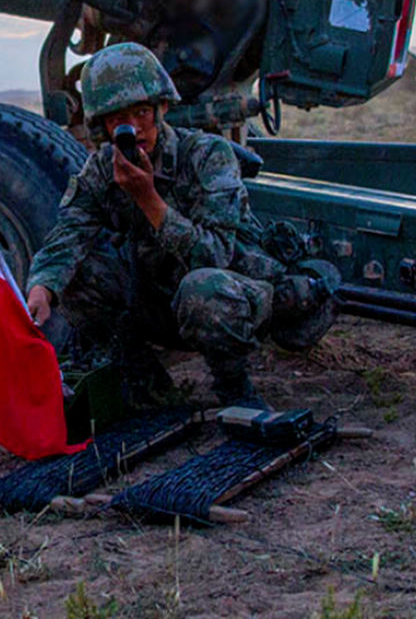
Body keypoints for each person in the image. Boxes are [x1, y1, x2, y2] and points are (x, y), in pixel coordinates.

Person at [22, 43, 335, 410]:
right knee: (76, 276)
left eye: (142, 112)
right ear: (103, 126)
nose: (134, 127)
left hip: (229, 299)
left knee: (202, 288)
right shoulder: (103, 169)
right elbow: (69, 233)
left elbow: (214, 255)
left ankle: (235, 388)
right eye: (118, 118)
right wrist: (43, 286)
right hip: (164, 301)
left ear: (163, 108)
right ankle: (147, 386)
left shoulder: (206, 156)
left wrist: (148, 199)